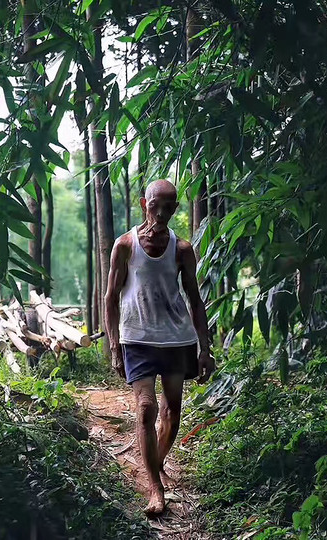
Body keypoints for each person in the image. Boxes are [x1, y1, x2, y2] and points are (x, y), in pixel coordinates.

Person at [104, 179, 215, 516]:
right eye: (156, 205)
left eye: (169, 206)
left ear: (176, 209)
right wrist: (113, 347)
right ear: (143, 204)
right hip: (136, 337)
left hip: (176, 338)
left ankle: (155, 462)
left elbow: (195, 300)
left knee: (172, 411)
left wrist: (205, 348)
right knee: (146, 409)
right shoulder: (125, 246)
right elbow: (110, 298)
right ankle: (155, 488)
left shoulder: (182, 250)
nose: (162, 212)